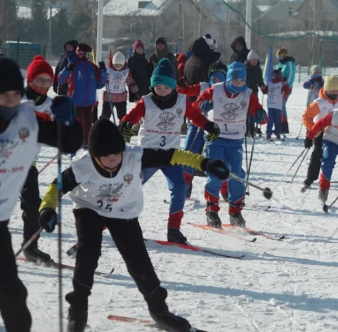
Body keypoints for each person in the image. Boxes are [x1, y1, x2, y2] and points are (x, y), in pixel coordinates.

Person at [38, 119, 229, 332]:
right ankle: (77, 312)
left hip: (123, 210)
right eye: (105, 157)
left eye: (116, 155)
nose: (112, 161)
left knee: (138, 259)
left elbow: (173, 155)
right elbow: (57, 186)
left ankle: (160, 311)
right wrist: (47, 208)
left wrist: (206, 163)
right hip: (89, 208)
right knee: (88, 255)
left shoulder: (134, 155)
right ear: (94, 156)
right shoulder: (82, 166)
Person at [0, 56, 81, 332]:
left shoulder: (26, 119)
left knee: (12, 291)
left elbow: (70, 142)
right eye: (5, 94)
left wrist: (69, 119)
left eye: (16, 93)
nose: (13, 100)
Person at [120, 58, 219, 244]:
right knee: (131, 186)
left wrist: (209, 126)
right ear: (152, 87)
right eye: (158, 87)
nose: (162, 91)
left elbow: (195, 116)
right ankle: (116, 222)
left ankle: (173, 229)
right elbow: (132, 115)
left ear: (173, 87)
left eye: (166, 87)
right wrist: (125, 124)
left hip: (171, 155)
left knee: (180, 187)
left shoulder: (182, 101)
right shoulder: (146, 101)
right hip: (147, 154)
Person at [196, 61, 267, 228]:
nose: (239, 84)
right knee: (216, 172)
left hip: (235, 140)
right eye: (235, 81)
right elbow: (196, 106)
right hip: (215, 138)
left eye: (242, 81)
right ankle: (211, 210)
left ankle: (235, 211)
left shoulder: (248, 94)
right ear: (228, 80)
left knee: (236, 174)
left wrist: (260, 115)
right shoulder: (215, 90)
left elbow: (262, 116)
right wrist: (202, 105)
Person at [19, 56, 62, 265]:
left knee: (32, 205)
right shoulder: (16, 98)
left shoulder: (51, 104)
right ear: (29, 79)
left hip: (28, 162)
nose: (43, 85)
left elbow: (60, 130)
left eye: (47, 81)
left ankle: (30, 246)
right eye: (39, 80)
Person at [58, 42, 107, 150]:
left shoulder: (92, 66)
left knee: (88, 123)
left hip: (89, 101)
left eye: (90, 55)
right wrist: (67, 69)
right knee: (78, 123)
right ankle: (74, 141)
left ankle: (86, 143)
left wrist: (103, 71)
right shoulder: (72, 64)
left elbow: (100, 84)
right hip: (75, 100)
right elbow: (60, 79)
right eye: (87, 54)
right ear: (81, 54)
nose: (89, 57)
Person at [301, 76, 338, 188]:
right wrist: (312, 129)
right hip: (321, 132)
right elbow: (306, 116)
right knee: (317, 154)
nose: (335, 92)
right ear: (326, 89)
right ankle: (311, 177)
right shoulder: (319, 102)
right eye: (332, 90)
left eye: (336, 90)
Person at [100, 52, 136, 122]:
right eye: (116, 64)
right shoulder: (108, 70)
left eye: (120, 65)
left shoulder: (126, 71)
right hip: (109, 97)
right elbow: (102, 79)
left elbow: (129, 80)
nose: (118, 66)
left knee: (122, 115)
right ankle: (101, 128)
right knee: (105, 115)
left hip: (121, 97)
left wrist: (132, 86)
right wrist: (103, 76)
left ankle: (122, 129)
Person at [265, 68, 291, 140]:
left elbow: (287, 91)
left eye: (273, 76)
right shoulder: (270, 83)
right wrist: (262, 88)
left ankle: (277, 132)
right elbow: (265, 91)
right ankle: (268, 132)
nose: (272, 77)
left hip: (278, 105)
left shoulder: (281, 84)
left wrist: (286, 85)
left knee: (277, 120)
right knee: (270, 119)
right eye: (272, 76)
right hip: (270, 104)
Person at [275, 47, 296, 135]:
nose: (279, 59)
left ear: (284, 56)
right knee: (278, 105)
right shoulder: (279, 64)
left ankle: (283, 125)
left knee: (282, 105)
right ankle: (278, 124)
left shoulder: (289, 63)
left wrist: (287, 84)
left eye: (280, 57)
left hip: (285, 87)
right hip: (278, 88)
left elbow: (291, 75)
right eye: (278, 57)